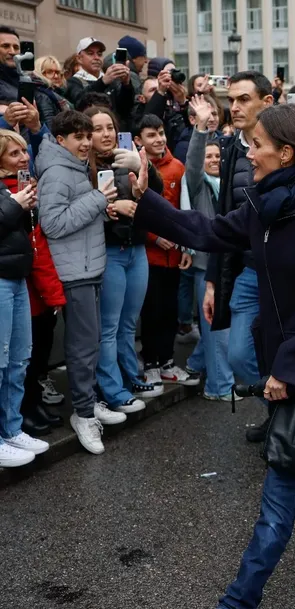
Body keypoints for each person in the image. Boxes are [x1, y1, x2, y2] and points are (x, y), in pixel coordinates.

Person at [128, 102, 295, 609]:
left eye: (256, 143)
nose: (248, 151)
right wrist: (145, 202)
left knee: (281, 495)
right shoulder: (265, 206)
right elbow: (209, 231)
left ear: (286, 153)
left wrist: (288, 370)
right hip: (284, 372)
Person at [37, 110, 126, 454]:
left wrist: (102, 208)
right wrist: (98, 199)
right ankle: (84, 414)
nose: (87, 142)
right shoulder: (58, 172)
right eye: (79, 137)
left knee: (89, 345)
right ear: (61, 140)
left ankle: (88, 405)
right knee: (82, 347)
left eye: (88, 135)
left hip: (87, 267)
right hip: (75, 272)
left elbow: (76, 215)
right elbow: (54, 224)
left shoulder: (73, 167)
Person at [208, 71, 273, 442]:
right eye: (231, 100)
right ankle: (278, 412)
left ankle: (288, 422)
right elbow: (222, 219)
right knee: (239, 356)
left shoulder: (288, 142)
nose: (234, 107)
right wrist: (213, 280)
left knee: (278, 352)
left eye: (243, 99)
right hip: (247, 271)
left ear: (267, 101)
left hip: (283, 273)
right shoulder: (232, 149)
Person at [87, 107, 163, 415]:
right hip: (109, 251)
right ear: (86, 136)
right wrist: (109, 206)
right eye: (97, 129)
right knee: (109, 326)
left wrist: (143, 165)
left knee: (129, 323)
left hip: (137, 249)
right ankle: (113, 390)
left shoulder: (127, 155)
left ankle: (132, 379)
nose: (105, 134)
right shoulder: (83, 166)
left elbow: (155, 191)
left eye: (110, 127)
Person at [1, 131, 64, 438]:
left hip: (33, 284)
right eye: (14, 154)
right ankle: (16, 418)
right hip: (14, 283)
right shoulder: (11, 196)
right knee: (10, 360)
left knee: (31, 357)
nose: (24, 158)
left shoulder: (28, 189)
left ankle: (27, 410)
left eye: (24, 152)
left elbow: (39, 245)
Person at [134, 114, 197, 388]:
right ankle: (150, 364)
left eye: (160, 132)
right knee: (152, 312)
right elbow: (132, 211)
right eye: (151, 135)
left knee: (170, 311)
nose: (158, 138)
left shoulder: (177, 167)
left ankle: (167, 361)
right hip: (148, 256)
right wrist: (153, 237)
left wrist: (186, 246)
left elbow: (184, 210)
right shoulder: (134, 168)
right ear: (138, 141)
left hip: (174, 256)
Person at [180, 95, 236, 400]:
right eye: (209, 157)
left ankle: (195, 363)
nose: (214, 160)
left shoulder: (229, 186)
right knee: (217, 328)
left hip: (229, 264)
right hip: (205, 267)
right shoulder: (199, 185)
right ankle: (219, 387)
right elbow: (193, 162)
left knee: (216, 324)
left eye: (218, 157)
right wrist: (201, 130)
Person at [64, 38, 133, 123]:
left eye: (99, 54)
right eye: (90, 54)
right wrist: (103, 82)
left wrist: (126, 84)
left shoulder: (111, 79)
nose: (96, 58)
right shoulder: (73, 81)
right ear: (79, 58)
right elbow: (79, 103)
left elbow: (125, 110)